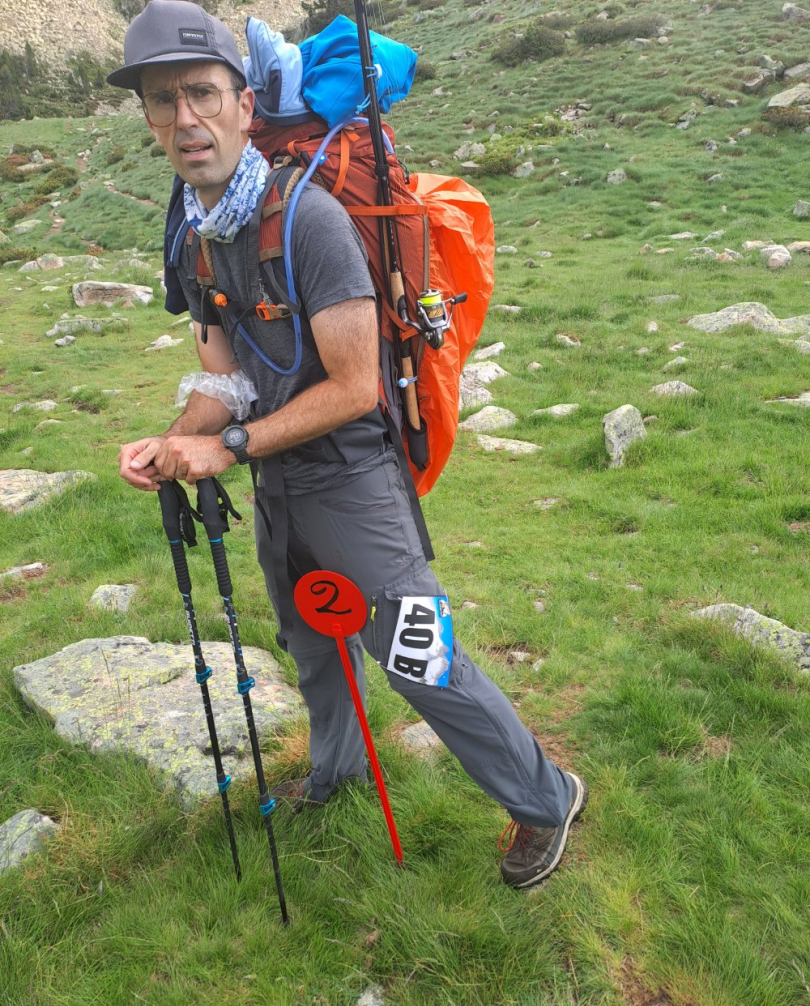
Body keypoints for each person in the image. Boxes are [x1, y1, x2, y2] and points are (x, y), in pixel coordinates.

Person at [108, 0, 587, 890]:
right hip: (279, 482)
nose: (186, 117)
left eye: (202, 93)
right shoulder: (195, 233)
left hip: (354, 480)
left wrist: (229, 447)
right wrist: (172, 443)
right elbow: (225, 375)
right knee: (313, 643)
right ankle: (339, 772)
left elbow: (355, 384)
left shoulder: (311, 220)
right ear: (148, 118)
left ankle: (546, 797)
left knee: (419, 658)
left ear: (243, 105)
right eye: (163, 100)